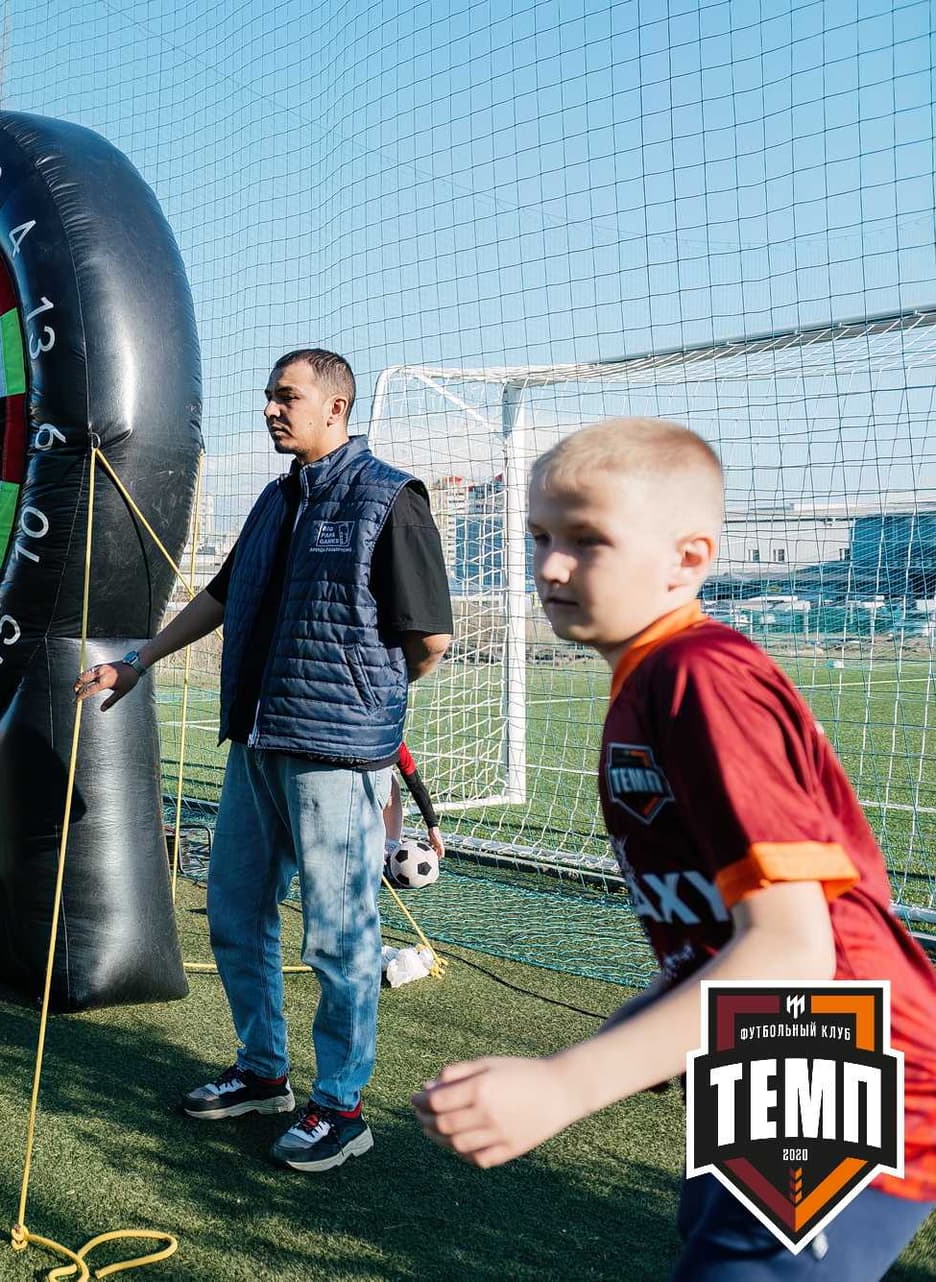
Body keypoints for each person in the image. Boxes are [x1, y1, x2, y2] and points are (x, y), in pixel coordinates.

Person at [413, 419, 936, 1277]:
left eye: (587, 540)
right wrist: (647, 1025)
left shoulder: (700, 676)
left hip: (843, 1061)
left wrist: (567, 1085)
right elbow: (730, 932)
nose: (550, 566)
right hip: (773, 1050)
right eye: (540, 536)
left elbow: (794, 950)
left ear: (688, 559)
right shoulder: (652, 678)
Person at [76, 348, 452, 1172]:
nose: (272, 410)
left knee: (338, 937)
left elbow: (429, 641)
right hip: (256, 741)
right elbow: (222, 594)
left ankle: (341, 1107)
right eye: (269, 397)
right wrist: (138, 661)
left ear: (337, 407)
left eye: (288, 397)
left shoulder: (390, 498)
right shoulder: (275, 501)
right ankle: (263, 1071)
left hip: (335, 755)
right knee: (235, 912)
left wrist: (365, 700)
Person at [385, 740, 444, 861]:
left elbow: (415, 783)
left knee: (390, 780)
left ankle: (390, 848)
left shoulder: (393, 740)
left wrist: (433, 826)